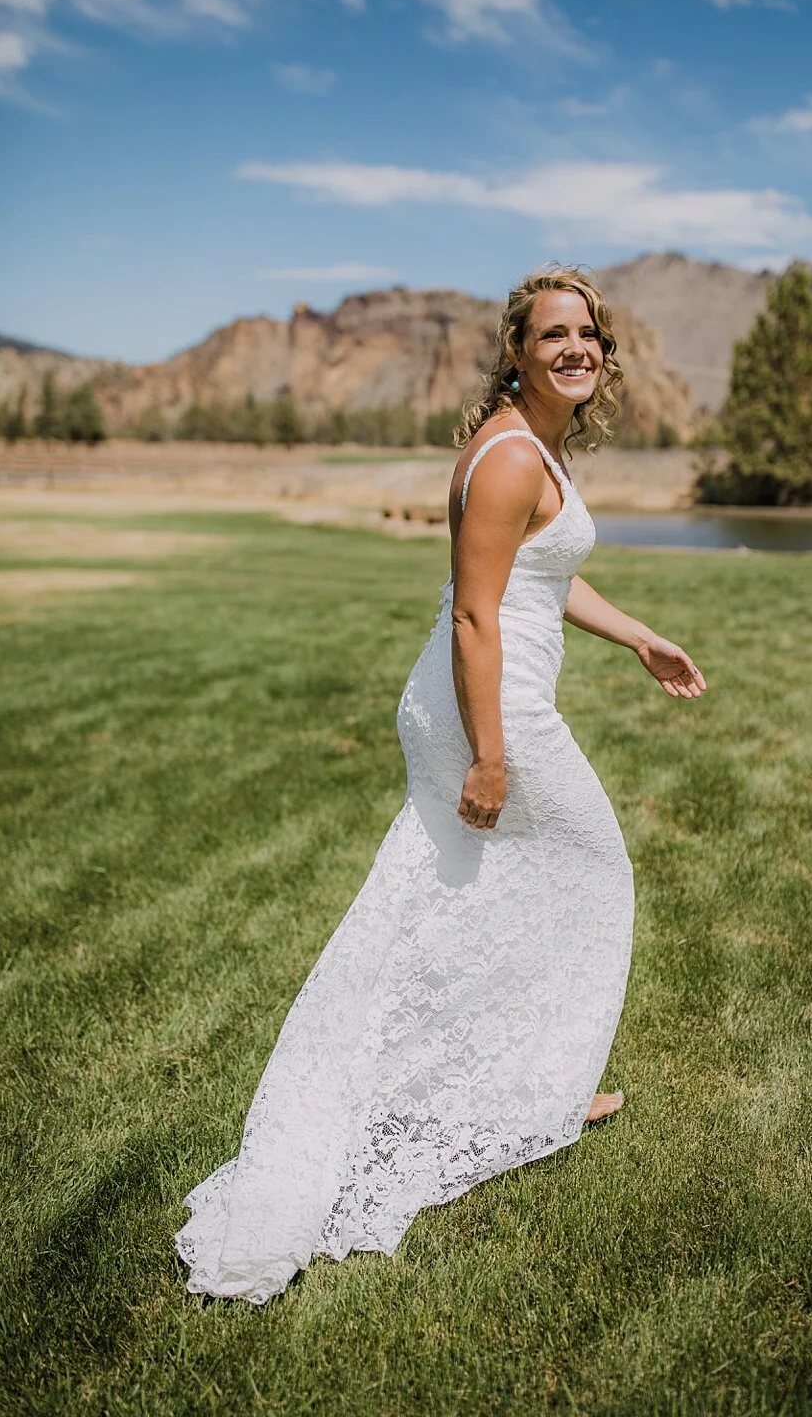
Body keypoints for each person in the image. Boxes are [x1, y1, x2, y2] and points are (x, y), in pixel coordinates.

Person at [176, 265, 706, 1303]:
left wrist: (638, 637)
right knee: (588, 870)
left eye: (588, 334)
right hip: (483, 706)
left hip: (475, 698)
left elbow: (538, 576)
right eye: (553, 335)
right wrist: (491, 755)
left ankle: (534, 1085)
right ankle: (527, 1089)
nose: (575, 349)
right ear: (517, 350)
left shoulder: (526, 443)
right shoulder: (510, 457)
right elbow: (473, 617)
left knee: (495, 892)